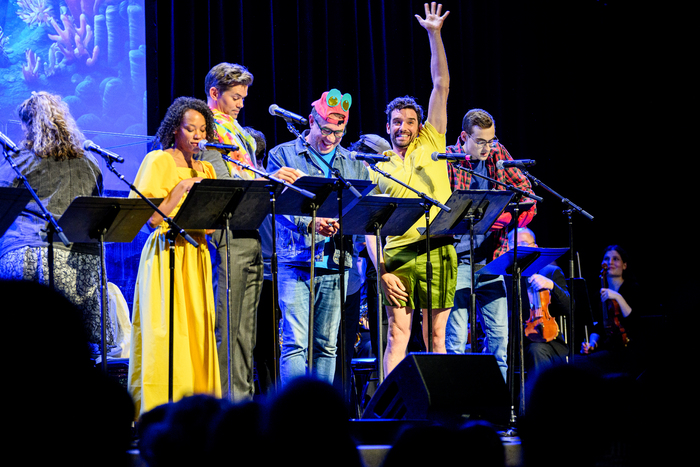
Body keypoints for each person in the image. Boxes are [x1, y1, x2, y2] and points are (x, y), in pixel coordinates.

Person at [365, 3, 455, 376]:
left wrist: (434, 34)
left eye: (410, 120)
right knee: (397, 335)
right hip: (399, 256)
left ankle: (441, 409)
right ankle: (393, 412)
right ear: (387, 126)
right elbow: (370, 227)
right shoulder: (376, 166)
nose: (404, 126)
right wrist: (381, 269)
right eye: (397, 121)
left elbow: (441, 85)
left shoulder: (431, 140)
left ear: (420, 124)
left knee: (437, 336)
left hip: (439, 248)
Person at [200, 62, 299, 401]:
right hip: (227, 232)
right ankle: (228, 404)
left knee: (246, 331)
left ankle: (243, 400)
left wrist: (273, 180)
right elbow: (223, 181)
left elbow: (250, 176)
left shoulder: (238, 129)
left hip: (250, 230)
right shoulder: (209, 130)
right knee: (228, 328)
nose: (241, 103)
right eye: (235, 97)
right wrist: (268, 179)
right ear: (214, 93)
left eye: (243, 97)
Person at [266, 87, 369, 385]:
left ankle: (320, 417)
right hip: (296, 261)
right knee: (296, 343)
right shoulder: (283, 154)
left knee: (327, 345)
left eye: (339, 132)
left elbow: (361, 210)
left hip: (336, 262)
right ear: (311, 120)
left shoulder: (352, 163)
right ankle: (292, 415)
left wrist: (344, 223)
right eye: (325, 129)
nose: (331, 138)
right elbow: (278, 205)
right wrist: (311, 225)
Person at [0, 91, 113, 355]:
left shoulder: (18, 162)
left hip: (26, 255)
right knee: (73, 349)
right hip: (80, 263)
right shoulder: (90, 163)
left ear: (29, 126)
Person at [128, 97, 221, 417]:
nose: (197, 136)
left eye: (202, 130)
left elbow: (210, 225)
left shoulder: (207, 167)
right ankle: (157, 414)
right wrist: (182, 187)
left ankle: (199, 413)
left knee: (196, 333)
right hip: (165, 254)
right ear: (174, 130)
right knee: (164, 333)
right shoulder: (158, 161)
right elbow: (151, 220)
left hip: (196, 256)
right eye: (190, 129)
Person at [443, 108, 537, 381]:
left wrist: (505, 215)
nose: (487, 147)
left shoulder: (497, 153)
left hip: (491, 261)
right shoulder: (450, 159)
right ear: (464, 137)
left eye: (491, 140)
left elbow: (527, 193)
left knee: (499, 341)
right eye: (481, 141)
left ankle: (499, 411)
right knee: (456, 343)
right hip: (457, 260)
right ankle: (457, 411)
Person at [506, 228, 569, 377]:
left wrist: (552, 286)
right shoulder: (504, 277)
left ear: (535, 247)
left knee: (536, 349)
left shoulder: (550, 272)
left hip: (546, 342)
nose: (518, 249)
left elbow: (570, 308)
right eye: (513, 245)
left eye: (523, 244)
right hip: (512, 344)